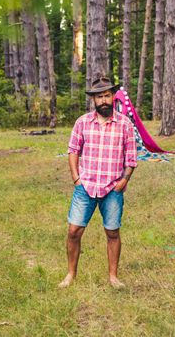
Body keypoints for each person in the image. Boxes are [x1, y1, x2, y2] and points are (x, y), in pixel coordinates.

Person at [58, 77, 137, 289]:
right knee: (74, 231)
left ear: (113, 97)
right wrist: (76, 178)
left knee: (112, 232)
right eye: (99, 96)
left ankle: (113, 277)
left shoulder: (125, 124)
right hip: (86, 186)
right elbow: (73, 151)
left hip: (112, 188)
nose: (103, 100)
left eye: (107, 95)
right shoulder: (82, 122)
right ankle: (71, 275)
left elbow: (131, 158)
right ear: (93, 99)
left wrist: (124, 180)